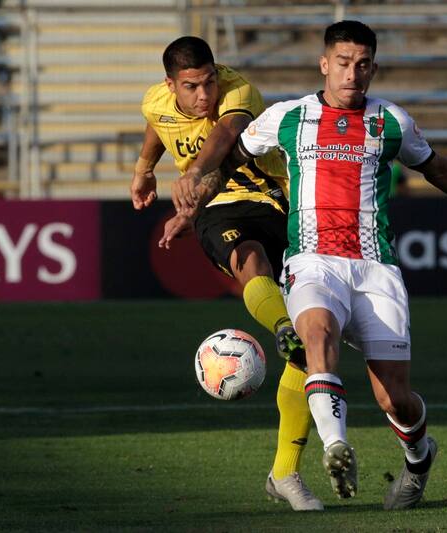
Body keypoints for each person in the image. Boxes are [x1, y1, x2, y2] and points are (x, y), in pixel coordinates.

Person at [169, 21, 447, 510]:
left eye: (363, 64)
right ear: (325, 64)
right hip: (312, 261)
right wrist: (192, 201)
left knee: (395, 400)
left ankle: (419, 457)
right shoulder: (288, 117)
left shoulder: (391, 122)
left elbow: (436, 167)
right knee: (315, 337)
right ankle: (336, 446)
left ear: (374, 68)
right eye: (343, 63)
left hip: (375, 268)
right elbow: (231, 154)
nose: (353, 73)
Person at [129, 36, 323, 511]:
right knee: (249, 260)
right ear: (170, 84)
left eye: (210, 81)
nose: (205, 95)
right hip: (220, 209)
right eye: (192, 86)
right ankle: (282, 327)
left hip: (280, 202)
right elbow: (159, 124)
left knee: (308, 355)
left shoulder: (240, 94)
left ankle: (285, 475)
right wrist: (144, 168)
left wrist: (191, 175)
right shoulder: (155, 101)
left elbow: (223, 138)